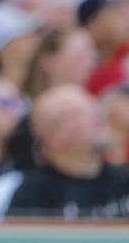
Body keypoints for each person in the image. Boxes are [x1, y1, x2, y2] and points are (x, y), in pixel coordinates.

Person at [7, 84, 129, 219]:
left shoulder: (123, 180)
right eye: (81, 113)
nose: (99, 117)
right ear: (54, 135)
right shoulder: (33, 197)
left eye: (95, 107)